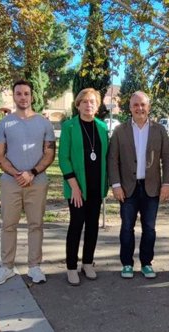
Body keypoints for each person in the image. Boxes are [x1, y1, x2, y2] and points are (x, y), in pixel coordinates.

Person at [0, 79, 56, 285]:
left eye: (26, 93)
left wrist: (32, 173)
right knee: (8, 224)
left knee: (36, 224)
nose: (23, 97)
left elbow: (49, 153)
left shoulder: (44, 123)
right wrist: (18, 174)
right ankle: (6, 267)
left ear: (32, 96)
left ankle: (34, 266)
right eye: (18, 93)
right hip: (11, 182)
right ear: (14, 96)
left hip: (37, 181)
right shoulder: (5, 123)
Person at [108, 91, 169, 279]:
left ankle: (146, 263)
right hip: (127, 188)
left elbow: (167, 159)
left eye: (143, 105)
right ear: (130, 108)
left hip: (151, 187)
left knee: (149, 228)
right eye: (136, 105)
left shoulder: (159, 130)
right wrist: (115, 184)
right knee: (127, 227)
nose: (139, 108)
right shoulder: (120, 130)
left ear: (148, 107)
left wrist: (167, 183)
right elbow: (113, 159)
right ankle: (127, 263)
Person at [58, 88, 109, 286]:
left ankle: (88, 263)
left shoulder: (102, 127)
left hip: (97, 187)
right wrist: (75, 187)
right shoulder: (69, 126)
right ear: (77, 104)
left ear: (97, 106)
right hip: (77, 188)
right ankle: (71, 266)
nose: (89, 105)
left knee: (93, 226)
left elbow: (106, 156)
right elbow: (64, 158)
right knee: (76, 226)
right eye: (85, 101)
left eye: (92, 102)